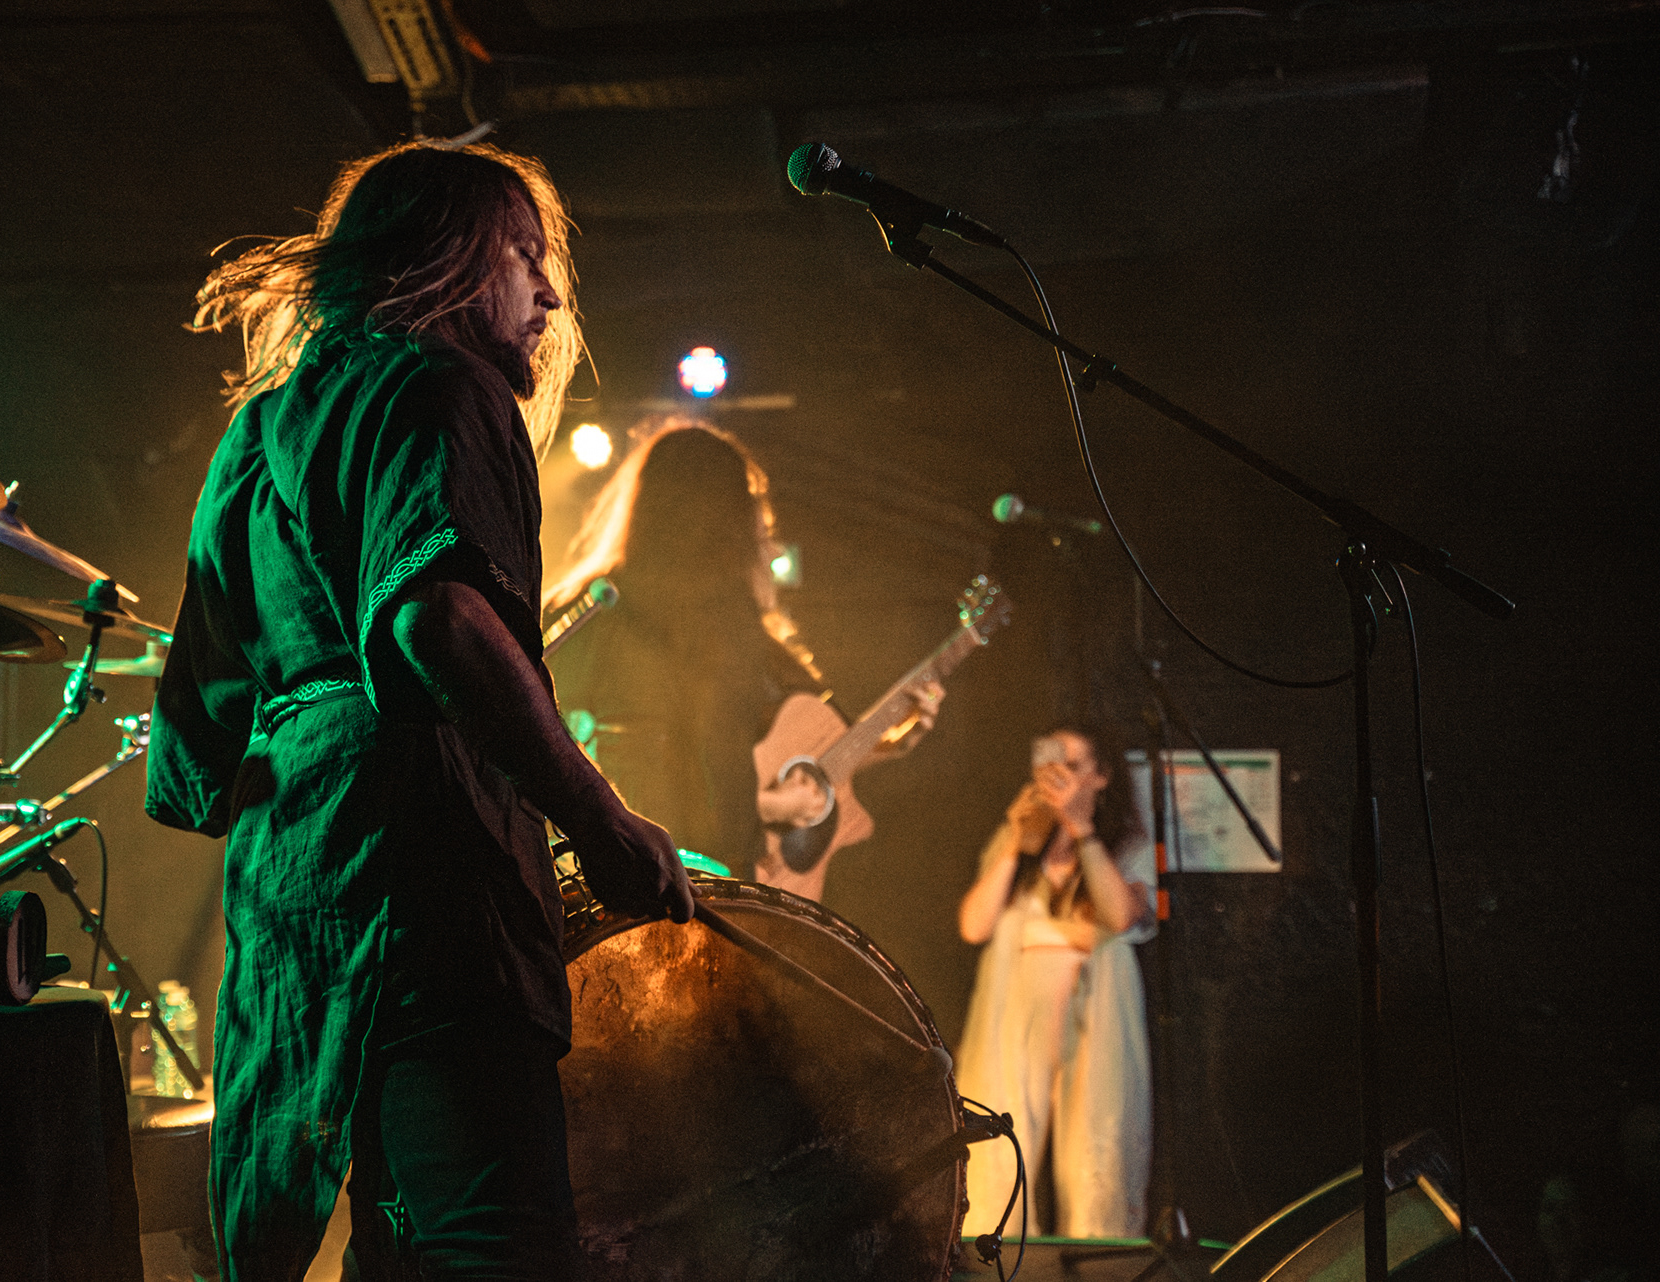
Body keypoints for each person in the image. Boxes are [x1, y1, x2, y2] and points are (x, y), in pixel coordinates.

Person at [145, 141, 694, 1281]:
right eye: (525, 256)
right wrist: (599, 822)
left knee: (393, 1243)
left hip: (292, 890)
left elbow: (199, 728)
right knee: (498, 1242)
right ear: (448, 259)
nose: (548, 295)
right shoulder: (443, 385)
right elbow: (435, 619)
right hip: (427, 876)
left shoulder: (254, 434)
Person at [543, 420, 941, 898]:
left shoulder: (588, 610)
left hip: (591, 888)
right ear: (729, 521)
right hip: (707, 894)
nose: (769, 543)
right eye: (756, 515)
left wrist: (884, 746)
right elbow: (712, 802)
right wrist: (775, 809)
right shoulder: (729, 631)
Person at [954, 725, 1154, 1240]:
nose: (1057, 777)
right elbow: (974, 925)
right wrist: (1015, 842)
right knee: (999, 1146)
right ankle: (995, 1255)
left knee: (1099, 1150)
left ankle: (1098, 1261)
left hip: (1095, 1016)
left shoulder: (1126, 844)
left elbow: (1120, 915)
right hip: (1017, 1013)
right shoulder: (1019, 843)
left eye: (1072, 765)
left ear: (1101, 776)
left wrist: (1081, 829)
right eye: (1048, 765)